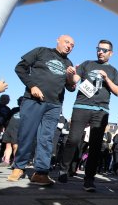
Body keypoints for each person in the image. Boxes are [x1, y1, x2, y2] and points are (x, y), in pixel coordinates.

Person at [7, 34, 76, 185]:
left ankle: (41, 172)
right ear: (58, 40)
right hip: (34, 100)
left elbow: (70, 88)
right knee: (26, 133)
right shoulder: (41, 51)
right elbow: (20, 68)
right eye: (66, 42)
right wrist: (32, 86)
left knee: (47, 138)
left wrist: (71, 77)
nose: (69, 46)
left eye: (72, 45)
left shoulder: (69, 63)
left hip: (55, 105)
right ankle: (19, 166)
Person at [56, 39, 118, 191]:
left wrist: (106, 78)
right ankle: (63, 170)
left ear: (110, 53)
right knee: (72, 140)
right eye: (98, 49)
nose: (100, 52)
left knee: (95, 145)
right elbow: (74, 81)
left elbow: (117, 91)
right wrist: (71, 74)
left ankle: (89, 179)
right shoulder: (87, 64)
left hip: (101, 110)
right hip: (81, 106)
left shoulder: (113, 70)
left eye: (104, 50)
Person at [0, 96, 23, 167]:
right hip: (9, 129)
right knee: (8, 145)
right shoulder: (14, 109)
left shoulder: (27, 111)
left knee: (15, 145)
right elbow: (7, 118)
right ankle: (6, 161)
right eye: (19, 100)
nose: (19, 102)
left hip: (17, 130)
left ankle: (15, 161)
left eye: (21, 100)